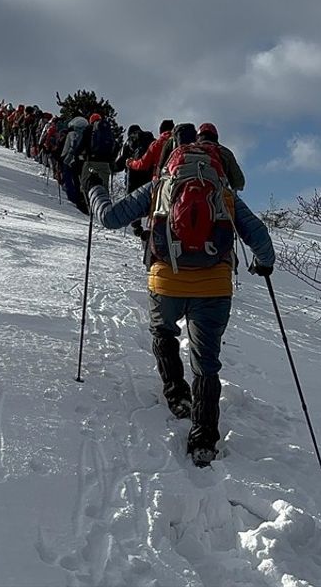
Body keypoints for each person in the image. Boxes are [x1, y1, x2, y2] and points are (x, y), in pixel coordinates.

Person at [83, 123, 275, 467]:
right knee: (207, 363)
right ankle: (203, 438)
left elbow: (111, 218)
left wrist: (94, 187)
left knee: (163, 332)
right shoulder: (225, 193)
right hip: (214, 286)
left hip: (166, 281)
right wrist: (264, 265)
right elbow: (259, 237)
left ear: (173, 160)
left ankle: (176, 395)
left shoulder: (160, 187)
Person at [113, 124, 155, 237]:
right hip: (149, 175)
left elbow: (119, 162)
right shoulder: (151, 139)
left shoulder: (130, 141)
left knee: (133, 199)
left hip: (133, 176)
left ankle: (136, 227)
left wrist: (114, 167)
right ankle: (151, 226)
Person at [196, 123, 244, 192]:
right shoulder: (225, 152)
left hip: (187, 193)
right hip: (218, 193)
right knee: (237, 201)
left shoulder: (187, 150)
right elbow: (238, 182)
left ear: (198, 137)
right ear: (216, 137)